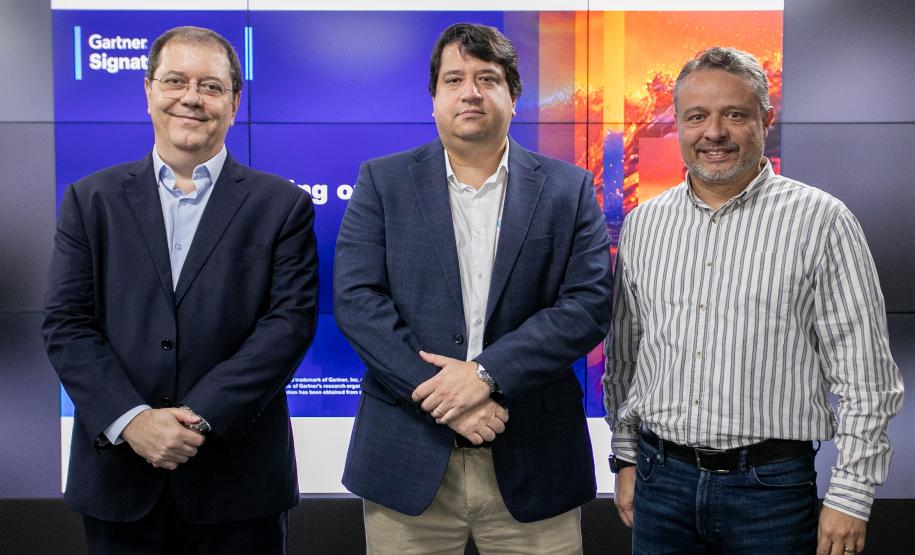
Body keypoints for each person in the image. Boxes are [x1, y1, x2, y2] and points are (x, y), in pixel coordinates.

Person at [603, 46, 903, 555]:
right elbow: (628, 358)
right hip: (660, 485)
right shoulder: (644, 225)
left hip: (771, 492)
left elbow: (866, 379)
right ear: (676, 122)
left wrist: (851, 496)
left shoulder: (822, 221)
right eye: (697, 116)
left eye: (734, 115)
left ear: (765, 119)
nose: (713, 133)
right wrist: (627, 457)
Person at [334, 22, 613, 554]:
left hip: (534, 459)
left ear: (513, 96)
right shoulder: (382, 181)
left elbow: (587, 306)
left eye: (487, 78)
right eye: (454, 79)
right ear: (433, 97)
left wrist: (485, 375)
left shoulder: (568, 188)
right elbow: (357, 301)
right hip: (407, 457)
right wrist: (448, 398)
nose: (470, 92)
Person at [42, 26, 318, 553]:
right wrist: (135, 421)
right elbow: (66, 324)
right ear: (148, 92)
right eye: (175, 81)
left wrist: (198, 417)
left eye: (211, 86)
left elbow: (288, 326)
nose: (191, 98)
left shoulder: (281, 206)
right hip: (118, 481)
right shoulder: (90, 199)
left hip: (237, 484)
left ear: (235, 103)